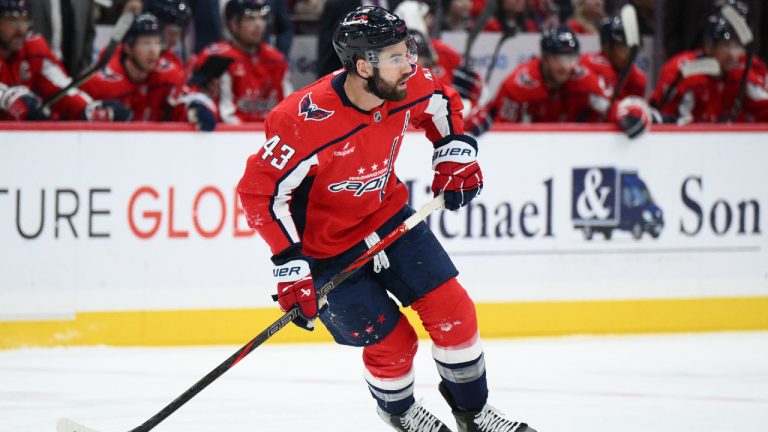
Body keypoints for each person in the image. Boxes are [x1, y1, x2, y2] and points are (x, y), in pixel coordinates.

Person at [237, 6, 536, 432]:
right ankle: (400, 412)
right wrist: (289, 264)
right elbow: (259, 192)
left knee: (455, 312)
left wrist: (453, 151)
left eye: (408, 51)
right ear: (362, 66)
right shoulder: (301, 121)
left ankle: (473, 414)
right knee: (393, 342)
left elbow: (442, 103)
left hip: (390, 219)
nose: (409, 65)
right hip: (329, 251)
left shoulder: (406, 84)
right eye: (396, 57)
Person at [82, 12, 217, 130]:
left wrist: (196, 108)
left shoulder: (167, 73)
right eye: (146, 43)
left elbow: (190, 99)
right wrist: (98, 112)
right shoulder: (99, 80)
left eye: (157, 43)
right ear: (128, 48)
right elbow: (72, 111)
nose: (153, 51)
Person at [0, 0, 128, 121]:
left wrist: (89, 109)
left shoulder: (33, 45)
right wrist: (6, 97)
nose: (22, 30)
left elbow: (61, 86)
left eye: (25, 21)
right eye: (13, 21)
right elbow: (10, 99)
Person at [649, 11, 768, 123]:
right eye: (726, 45)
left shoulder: (744, 70)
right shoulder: (683, 71)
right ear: (708, 46)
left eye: (737, 46)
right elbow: (663, 119)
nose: (733, 54)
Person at [193, 0, 290, 123]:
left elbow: (288, 106)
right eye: (250, 19)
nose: (259, 25)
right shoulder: (216, 57)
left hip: (270, 134)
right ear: (233, 24)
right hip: (226, 136)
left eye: (262, 18)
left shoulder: (276, 59)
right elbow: (200, 102)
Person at [580, 13, 647, 99]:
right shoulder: (587, 65)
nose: (629, 53)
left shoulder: (637, 79)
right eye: (623, 46)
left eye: (632, 47)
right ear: (606, 47)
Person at [144, 0, 192, 71]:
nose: (175, 41)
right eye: (172, 34)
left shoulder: (174, 60)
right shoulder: (138, 58)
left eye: (179, 35)